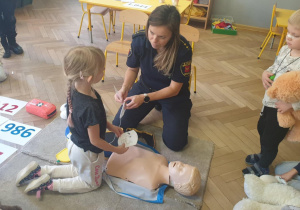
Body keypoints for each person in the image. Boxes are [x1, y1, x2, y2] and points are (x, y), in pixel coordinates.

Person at [15, 46, 128, 197]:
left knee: (78, 168)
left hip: (75, 145)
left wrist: (111, 126)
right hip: (88, 152)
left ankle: (40, 170)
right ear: (89, 77)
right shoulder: (89, 106)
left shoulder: (75, 87)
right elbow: (95, 141)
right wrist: (116, 150)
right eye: (102, 69)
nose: (103, 71)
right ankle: (49, 185)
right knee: (91, 183)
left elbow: (96, 119)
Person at [113, 5, 193, 151]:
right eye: (151, 32)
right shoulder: (139, 40)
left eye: (162, 37)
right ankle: (157, 104)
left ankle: (180, 108)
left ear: (173, 35)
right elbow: (132, 69)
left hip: (173, 95)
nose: (154, 40)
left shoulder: (183, 50)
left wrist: (144, 98)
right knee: (119, 126)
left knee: (176, 144)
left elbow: (174, 89)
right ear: (148, 26)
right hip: (146, 86)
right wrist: (124, 88)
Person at [242, 9, 300, 176]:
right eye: (289, 32)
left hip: (284, 110)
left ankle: (264, 164)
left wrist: (291, 105)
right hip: (268, 102)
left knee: (271, 139)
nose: (289, 37)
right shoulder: (283, 50)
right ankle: (263, 154)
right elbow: (275, 67)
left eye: (295, 35)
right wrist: (265, 73)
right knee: (262, 129)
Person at [105, 146, 201, 196]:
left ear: (178, 185)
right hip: (119, 148)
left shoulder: (152, 182)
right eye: (184, 164)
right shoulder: (162, 158)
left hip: (113, 163)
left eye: (181, 170)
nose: (180, 164)